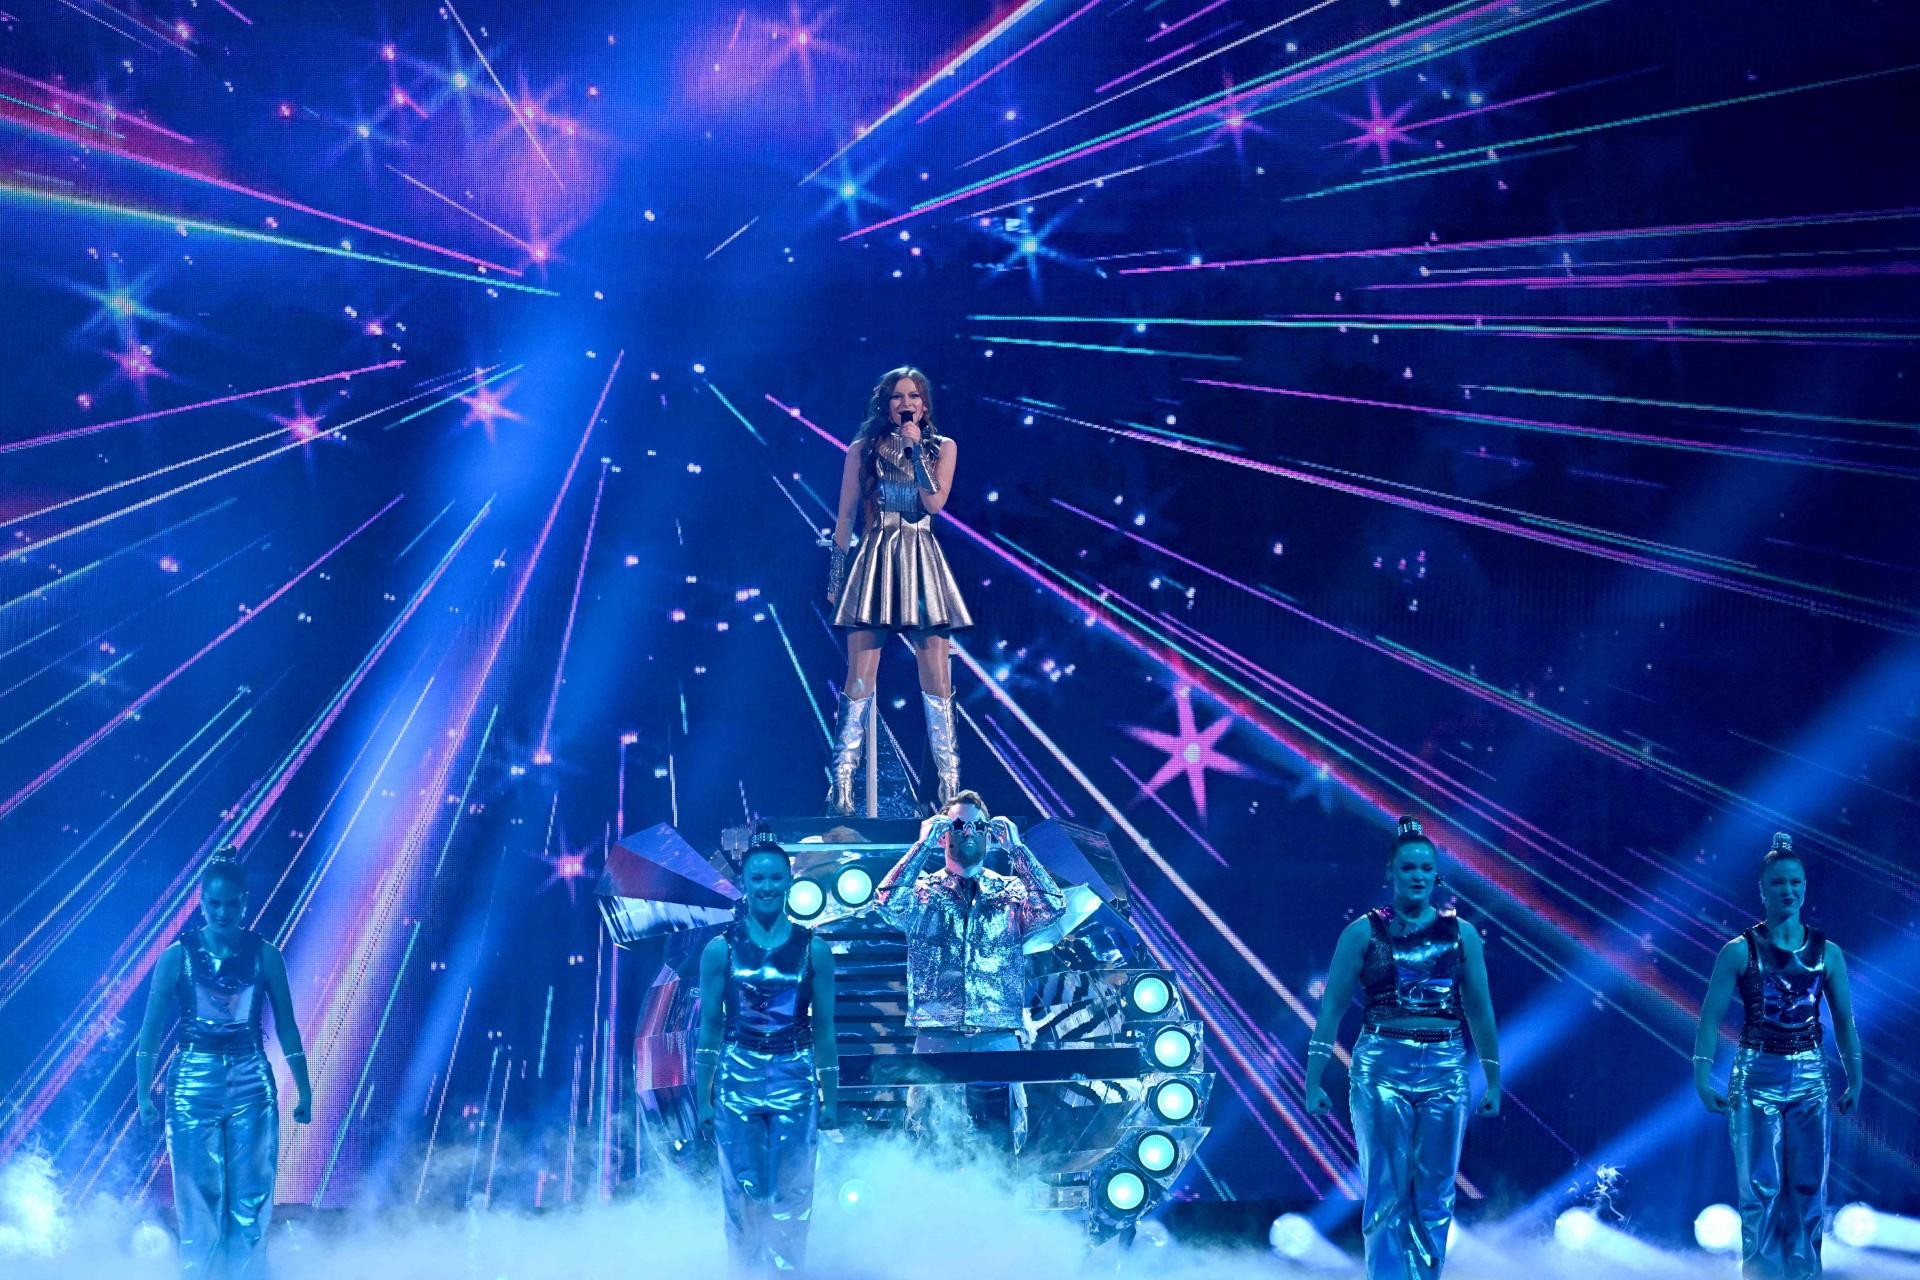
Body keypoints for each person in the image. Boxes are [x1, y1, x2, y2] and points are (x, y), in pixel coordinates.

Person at [1303, 817, 1500, 1280]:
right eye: (1408, 867)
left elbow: (1481, 1011)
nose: (1418, 875)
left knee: (1436, 1192)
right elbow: (1331, 1010)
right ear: (1390, 872)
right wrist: (1312, 1081)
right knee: (1386, 1189)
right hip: (1381, 1067)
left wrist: (1493, 1079)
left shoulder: (1461, 934)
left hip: (1445, 1066)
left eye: (1426, 867)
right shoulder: (1362, 932)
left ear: (1437, 875)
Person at [1694, 832, 1862, 1280]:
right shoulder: (1739, 951)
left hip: (1810, 1075)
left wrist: (1856, 1078)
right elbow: (1709, 1019)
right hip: (1756, 1076)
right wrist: (1702, 1078)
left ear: (1804, 887)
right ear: (1763, 890)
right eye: (1778, 883)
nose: (1788, 890)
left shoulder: (1828, 953)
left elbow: (1844, 1022)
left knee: (1808, 1192)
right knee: (1759, 1191)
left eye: (1795, 882)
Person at [136, 853, 312, 1278]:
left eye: (232, 904)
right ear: (201, 902)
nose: (222, 913)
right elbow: (150, 1031)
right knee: (198, 1203)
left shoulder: (266, 956)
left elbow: (287, 1026)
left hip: (251, 1080)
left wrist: (304, 1088)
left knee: (252, 1199)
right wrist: (143, 1091)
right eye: (214, 904)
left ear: (245, 902)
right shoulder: (176, 957)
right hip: (192, 1083)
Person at [874, 790, 1064, 1147]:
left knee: (1000, 1141)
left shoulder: (1010, 892)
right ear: (943, 833)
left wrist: (1017, 849)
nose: (969, 832)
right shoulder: (923, 892)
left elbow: (1052, 906)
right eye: (959, 825)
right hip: (937, 1037)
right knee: (929, 1142)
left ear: (990, 834)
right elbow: (886, 901)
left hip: (996, 1036)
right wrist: (921, 846)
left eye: (978, 825)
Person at [824, 366, 971, 816]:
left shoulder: (943, 447)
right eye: (897, 397)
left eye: (914, 396)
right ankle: (842, 786)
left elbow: (934, 503)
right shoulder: (862, 449)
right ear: (885, 405)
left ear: (925, 405)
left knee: (938, 678)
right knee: (859, 678)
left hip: (921, 555)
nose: (906, 404)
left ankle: (950, 788)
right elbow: (845, 516)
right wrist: (836, 579)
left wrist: (916, 451)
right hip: (876, 555)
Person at [695, 835, 839, 1275]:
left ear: (789, 881)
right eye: (758, 878)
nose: (767, 887)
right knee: (742, 1192)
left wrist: (831, 1096)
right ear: (744, 883)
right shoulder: (720, 949)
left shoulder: (814, 949)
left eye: (776, 878)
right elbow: (710, 1027)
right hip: (738, 1075)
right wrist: (703, 1097)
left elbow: (824, 1028)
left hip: (794, 1074)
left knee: (793, 1193)